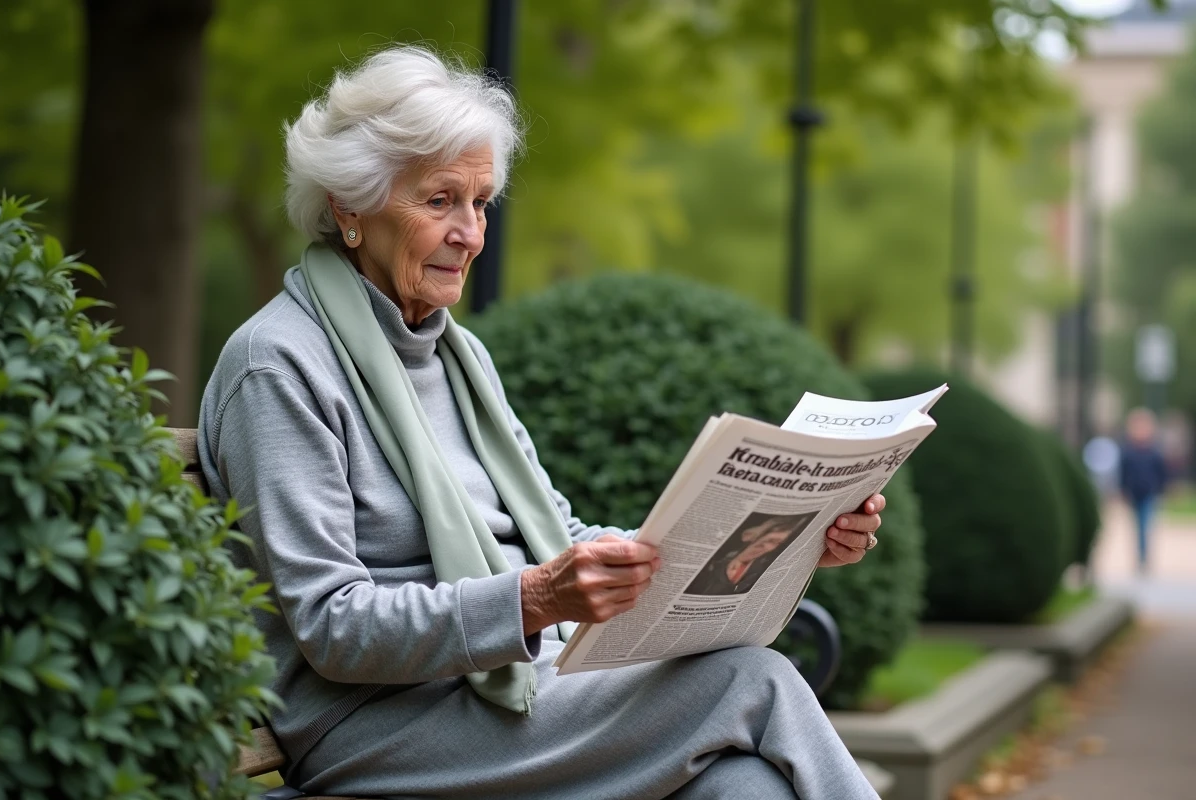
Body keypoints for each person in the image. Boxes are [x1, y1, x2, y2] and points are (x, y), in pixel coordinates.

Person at [198, 46, 885, 800]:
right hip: (377, 728)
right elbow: (333, 625)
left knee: (745, 786)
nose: (470, 232)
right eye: (439, 201)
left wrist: (777, 539)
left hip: (518, 691)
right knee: (752, 680)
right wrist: (531, 600)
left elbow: (553, 535)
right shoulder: (278, 365)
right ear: (348, 207)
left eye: (481, 202)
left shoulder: (461, 359)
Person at [685, 514, 815, 595]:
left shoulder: (760, 573)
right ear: (754, 535)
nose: (767, 546)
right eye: (770, 539)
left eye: (777, 543)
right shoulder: (717, 560)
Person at [1119, 407, 1169, 573]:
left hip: (1149, 493)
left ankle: (1144, 558)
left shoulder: (1154, 452)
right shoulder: (1128, 452)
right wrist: (1122, 490)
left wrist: (1161, 489)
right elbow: (1123, 473)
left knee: (1145, 526)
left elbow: (1161, 473)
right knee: (1137, 527)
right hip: (1134, 493)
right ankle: (1140, 558)